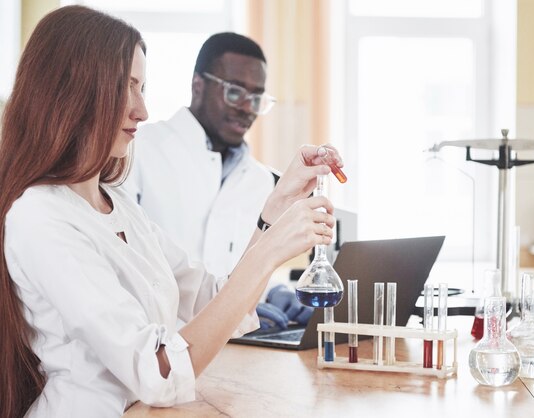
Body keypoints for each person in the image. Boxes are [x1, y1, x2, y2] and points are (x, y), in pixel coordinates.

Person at [0, 6, 342, 418]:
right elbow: (159, 371)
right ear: (73, 92)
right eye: (125, 87)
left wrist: (276, 206)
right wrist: (271, 252)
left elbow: (210, 301)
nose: (141, 110)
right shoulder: (40, 217)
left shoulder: (117, 206)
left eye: (142, 87)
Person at [124, 32, 312, 329]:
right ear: (198, 84)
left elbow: (232, 267)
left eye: (257, 97)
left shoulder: (261, 180)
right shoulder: (136, 151)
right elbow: (127, 267)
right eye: (235, 92)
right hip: (156, 344)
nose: (248, 107)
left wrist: (272, 292)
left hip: (232, 345)